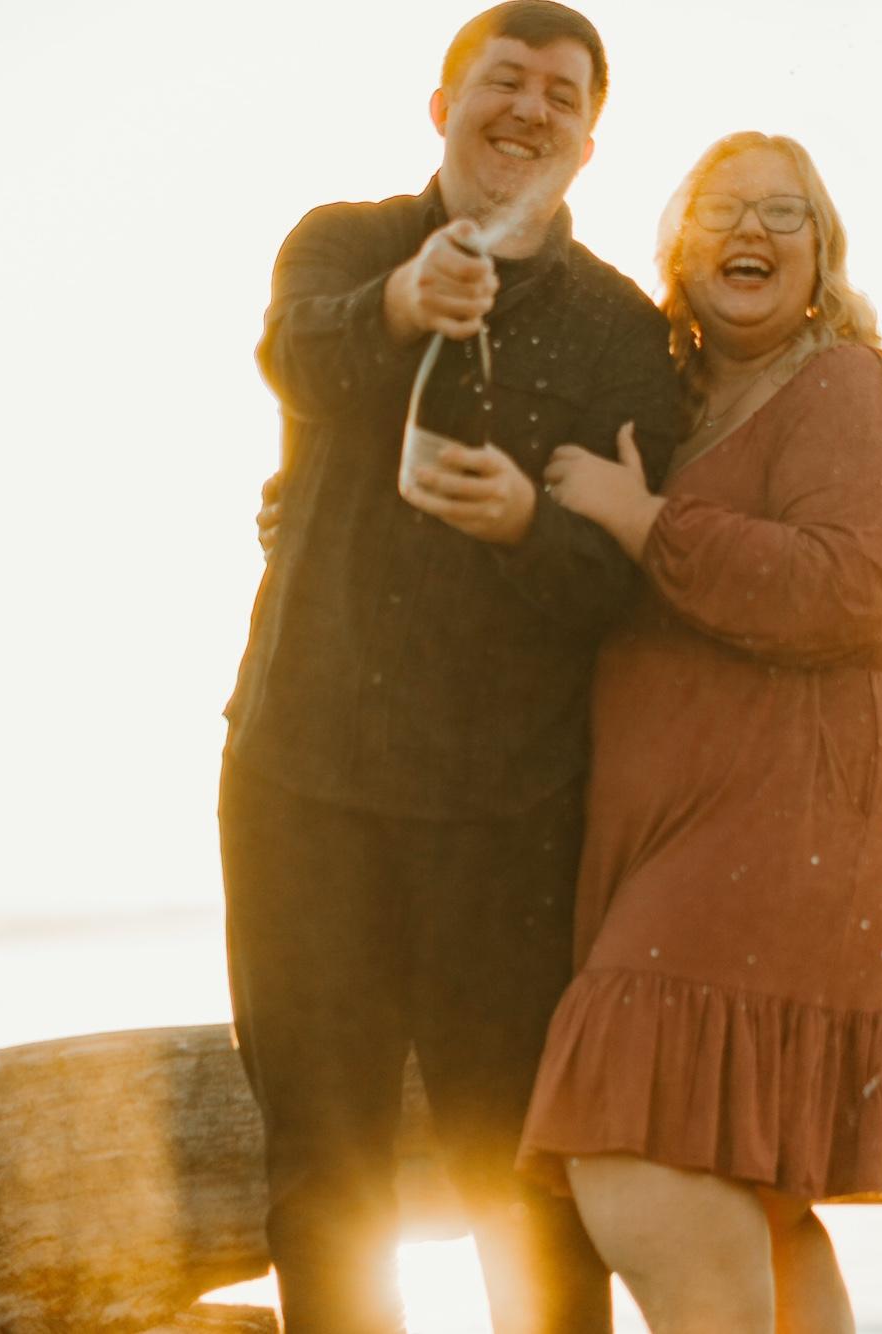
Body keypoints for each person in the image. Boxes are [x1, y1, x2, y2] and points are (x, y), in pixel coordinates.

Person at [220, 4, 683, 1331]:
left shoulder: (623, 335)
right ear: (442, 106)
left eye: (561, 95)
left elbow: (631, 585)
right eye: (504, 80)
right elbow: (293, 352)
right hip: (300, 791)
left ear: (587, 144)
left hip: (507, 821)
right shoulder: (342, 242)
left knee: (525, 1189)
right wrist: (399, 302)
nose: (529, 108)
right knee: (323, 1180)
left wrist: (528, 524)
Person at [517, 132, 882, 1333]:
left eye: (782, 213)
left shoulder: (853, 385)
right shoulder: (669, 402)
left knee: (633, 1137)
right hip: (708, 829)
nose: (750, 230)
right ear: (677, 252)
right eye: (721, 210)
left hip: (814, 814)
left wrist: (646, 523)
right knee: (747, 1191)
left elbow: (852, 585)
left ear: (821, 252)